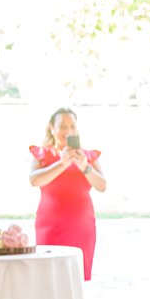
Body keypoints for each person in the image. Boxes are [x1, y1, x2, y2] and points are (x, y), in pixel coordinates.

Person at [28, 107, 106, 278]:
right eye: (63, 126)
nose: (68, 131)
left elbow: (102, 185)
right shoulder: (43, 154)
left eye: (72, 126)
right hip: (50, 226)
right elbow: (34, 180)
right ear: (52, 128)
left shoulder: (88, 156)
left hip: (81, 226)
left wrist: (85, 166)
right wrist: (62, 164)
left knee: (78, 276)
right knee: (49, 276)